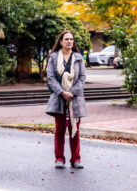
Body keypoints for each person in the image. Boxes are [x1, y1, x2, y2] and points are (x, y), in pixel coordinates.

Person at [45, 30, 87, 169]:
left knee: (75, 130)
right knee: (60, 130)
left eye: (71, 39)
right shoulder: (53, 57)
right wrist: (62, 92)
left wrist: (72, 92)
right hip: (59, 98)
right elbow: (50, 78)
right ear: (61, 42)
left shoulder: (79, 58)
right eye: (66, 39)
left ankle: (76, 159)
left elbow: (82, 79)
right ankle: (59, 158)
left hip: (75, 99)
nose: (69, 41)